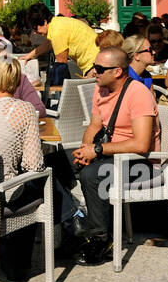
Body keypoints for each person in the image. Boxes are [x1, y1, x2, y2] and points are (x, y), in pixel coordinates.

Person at [0, 55, 81, 274]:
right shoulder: (23, 110)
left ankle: (73, 221)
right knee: (44, 176)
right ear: (18, 81)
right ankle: (71, 222)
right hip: (0, 195)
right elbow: (33, 166)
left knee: (53, 167)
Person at [67, 48, 161, 265]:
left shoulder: (138, 94)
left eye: (99, 69)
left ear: (117, 71)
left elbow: (141, 144)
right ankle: (71, 226)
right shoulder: (101, 89)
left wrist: (97, 151)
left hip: (141, 163)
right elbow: (94, 125)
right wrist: (85, 150)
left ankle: (101, 239)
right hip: (112, 155)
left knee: (92, 175)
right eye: (94, 66)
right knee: (58, 165)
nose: (94, 72)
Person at [124, 35, 168, 164]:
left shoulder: (146, 76)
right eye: (149, 50)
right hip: (133, 132)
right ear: (137, 56)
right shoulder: (126, 78)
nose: (154, 52)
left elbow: (153, 104)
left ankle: (165, 178)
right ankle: (156, 174)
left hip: (151, 127)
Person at [20, 7, 98, 92]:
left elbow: (62, 63)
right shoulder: (57, 23)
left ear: (45, 22)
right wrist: (29, 56)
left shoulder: (57, 31)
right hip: (96, 61)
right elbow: (49, 44)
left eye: (35, 28)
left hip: (94, 66)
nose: (35, 32)